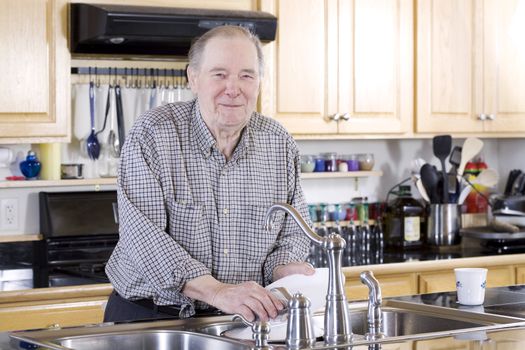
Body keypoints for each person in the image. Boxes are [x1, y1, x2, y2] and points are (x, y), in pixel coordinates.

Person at [103, 25, 314, 324]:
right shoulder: (153, 134)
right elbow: (143, 238)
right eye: (220, 74)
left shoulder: (278, 142)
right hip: (151, 318)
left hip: (239, 320)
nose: (233, 88)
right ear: (193, 78)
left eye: (246, 75)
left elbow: (292, 231)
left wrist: (285, 270)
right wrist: (217, 292)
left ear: (259, 82)